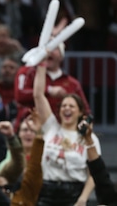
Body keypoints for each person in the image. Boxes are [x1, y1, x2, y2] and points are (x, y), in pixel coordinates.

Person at [33, 59, 100, 205]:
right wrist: (42, 64)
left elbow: (94, 174)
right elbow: (38, 95)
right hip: (46, 191)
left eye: (71, 106)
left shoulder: (89, 138)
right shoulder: (51, 127)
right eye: (63, 106)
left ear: (80, 112)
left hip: (74, 193)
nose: (66, 108)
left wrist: (83, 198)